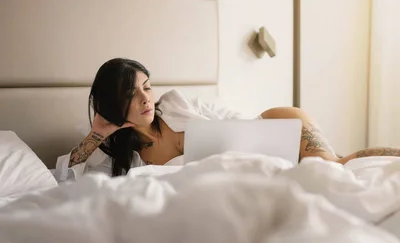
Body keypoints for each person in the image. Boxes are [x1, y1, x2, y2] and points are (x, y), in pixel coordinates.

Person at [55, 57, 400, 182]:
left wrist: (262, 139)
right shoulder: (115, 156)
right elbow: (63, 180)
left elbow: (231, 119)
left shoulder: (175, 103)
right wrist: (96, 133)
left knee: (335, 169)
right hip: (252, 176)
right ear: (115, 102)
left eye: (147, 87)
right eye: (133, 94)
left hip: (273, 132)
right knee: (331, 173)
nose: (147, 99)